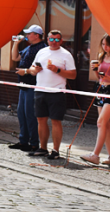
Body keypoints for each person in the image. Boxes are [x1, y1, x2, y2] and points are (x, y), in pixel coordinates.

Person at [80, 35, 110, 166]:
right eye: (103, 44)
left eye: (107, 44)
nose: (105, 47)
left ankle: (95, 155)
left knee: (101, 122)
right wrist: (96, 71)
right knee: (105, 125)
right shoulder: (102, 57)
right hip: (101, 90)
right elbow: (100, 78)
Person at [27, 30, 76, 160]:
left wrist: (57, 70)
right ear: (47, 39)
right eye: (51, 39)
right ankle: (43, 148)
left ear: (61, 41)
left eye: (57, 39)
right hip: (40, 90)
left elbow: (73, 75)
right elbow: (32, 69)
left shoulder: (66, 54)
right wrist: (34, 70)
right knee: (41, 120)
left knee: (55, 121)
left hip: (57, 92)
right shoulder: (41, 52)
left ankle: (55, 150)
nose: (54, 42)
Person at [9, 25, 47, 152]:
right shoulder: (29, 47)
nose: (27, 36)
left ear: (37, 35)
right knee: (22, 114)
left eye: (29, 34)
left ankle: (34, 142)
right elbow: (15, 58)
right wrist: (16, 43)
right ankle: (23, 140)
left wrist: (24, 71)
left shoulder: (42, 48)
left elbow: (37, 69)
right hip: (24, 85)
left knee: (30, 114)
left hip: (33, 85)